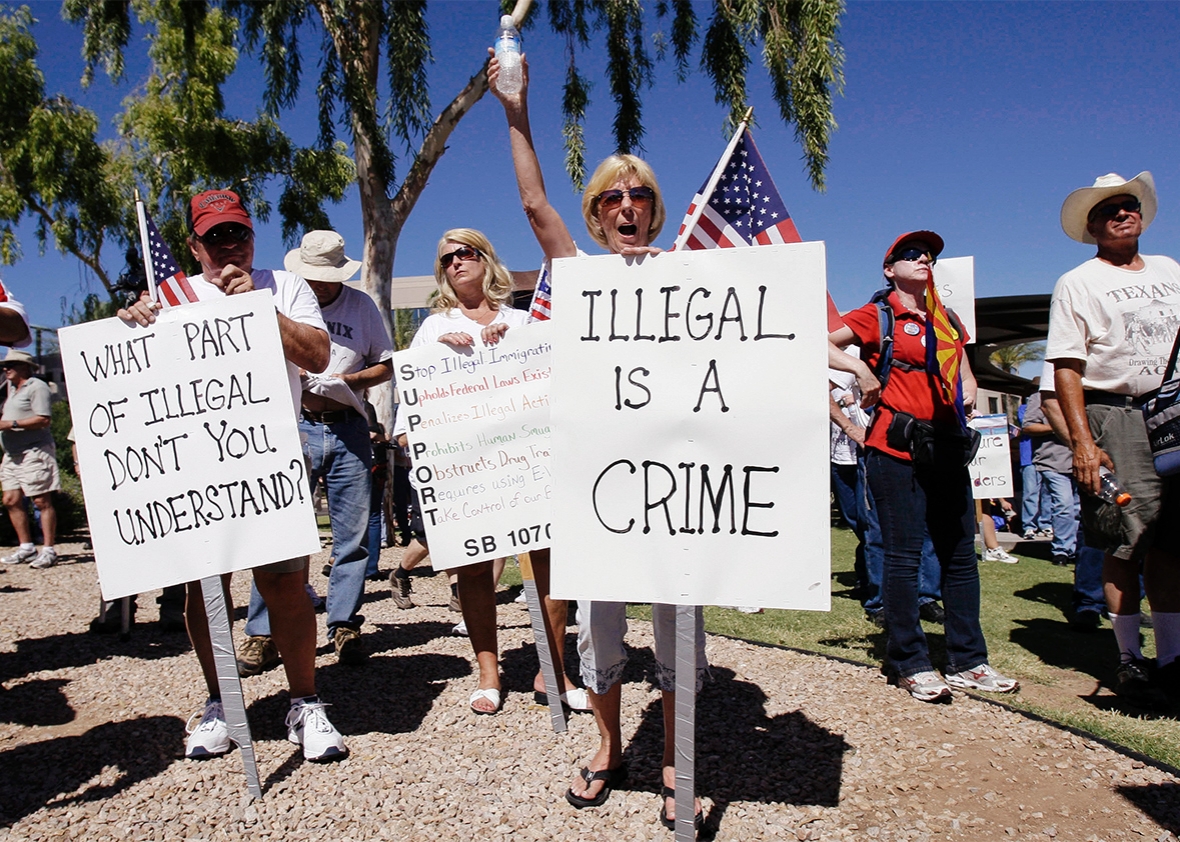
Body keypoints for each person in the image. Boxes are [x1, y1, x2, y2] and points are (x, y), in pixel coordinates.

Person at [491, 52, 707, 828]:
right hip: (599, 484)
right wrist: (515, 107)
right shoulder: (577, 273)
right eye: (612, 195)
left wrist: (839, 356)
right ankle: (611, 745)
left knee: (680, 618)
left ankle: (677, 755)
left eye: (639, 193)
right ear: (596, 213)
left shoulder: (692, 277)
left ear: (654, 207)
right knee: (605, 622)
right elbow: (531, 202)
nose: (627, 203)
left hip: (678, 482)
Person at [119, 189, 347, 761]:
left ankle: (306, 701)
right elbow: (132, 383)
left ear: (253, 236)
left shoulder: (285, 286)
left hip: (269, 457)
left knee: (283, 583)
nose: (230, 248)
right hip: (195, 467)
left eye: (238, 234)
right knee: (206, 588)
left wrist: (261, 313)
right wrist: (133, 322)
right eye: (215, 237)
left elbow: (320, 356)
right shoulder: (170, 294)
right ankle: (221, 701)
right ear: (194, 244)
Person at [394, 228, 586, 714]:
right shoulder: (432, 330)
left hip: (528, 468)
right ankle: (488, 671)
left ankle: (555, 669)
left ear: (486, 258)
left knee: (546, 566)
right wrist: (445, 359)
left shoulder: (526, 322)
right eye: (447, 259)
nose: (457, 263)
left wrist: (508, 349)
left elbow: (562, 388)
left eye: (466, 253)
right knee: (476, 570)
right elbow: (407, 421)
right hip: (466, 476)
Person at [829, 230, 1018, 703]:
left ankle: (968, 660)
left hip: (947, 447)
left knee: (959, 554)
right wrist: (860, 369)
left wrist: (970, 384)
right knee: (902, 554)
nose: (923, 259)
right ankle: (909, 660)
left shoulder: (947, 318)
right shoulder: (878, 315)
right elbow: (814, 344)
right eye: (909, 255)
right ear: (889, 269)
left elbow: (964, 365)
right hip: (895, 450)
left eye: (929, 254)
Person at [1046, 171, 1180, 707]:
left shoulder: (1172, 270)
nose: (1121, 214)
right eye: (1108, 211)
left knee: (1172, 541)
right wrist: (1082, 440)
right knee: (1128, 535)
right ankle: (1129, 659)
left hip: (1172, 408)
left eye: (1128, 206)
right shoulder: (1078, 281)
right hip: (1116, 413)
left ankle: (1171, 657)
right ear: (1092, 226)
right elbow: (1066, 367)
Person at [238, 230, 393, 671]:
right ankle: (262, 633)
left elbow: (386, 361)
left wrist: (353, 383)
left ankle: (343, 623)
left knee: (353, 535)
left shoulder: (360, 307)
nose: (321, 284)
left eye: (328, 276)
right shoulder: (284, 301)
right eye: (314, 276)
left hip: (349, 425)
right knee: (278, 531)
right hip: (294, 422)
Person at [0, 349, 59, 569]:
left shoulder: (36, 387)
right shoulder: (11, 388)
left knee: (41, 500)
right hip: (12, 454)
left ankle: (49, 549)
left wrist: (11, 425)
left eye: (11, 365)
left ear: (25, 367)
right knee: (11, 500)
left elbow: (44, 419)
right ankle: (26, 546)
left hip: (34, 451)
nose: (6, 369)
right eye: (5, 366)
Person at [1021, 373, 1079, 567]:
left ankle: (1076, 549)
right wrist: (1058, 427)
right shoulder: (1039, 398)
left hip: (1080, 460)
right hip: (1052, 461)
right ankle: (1061, 550)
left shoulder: (1080, 393)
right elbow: (1028, 427)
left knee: (1078, 509)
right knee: (1064, 505)